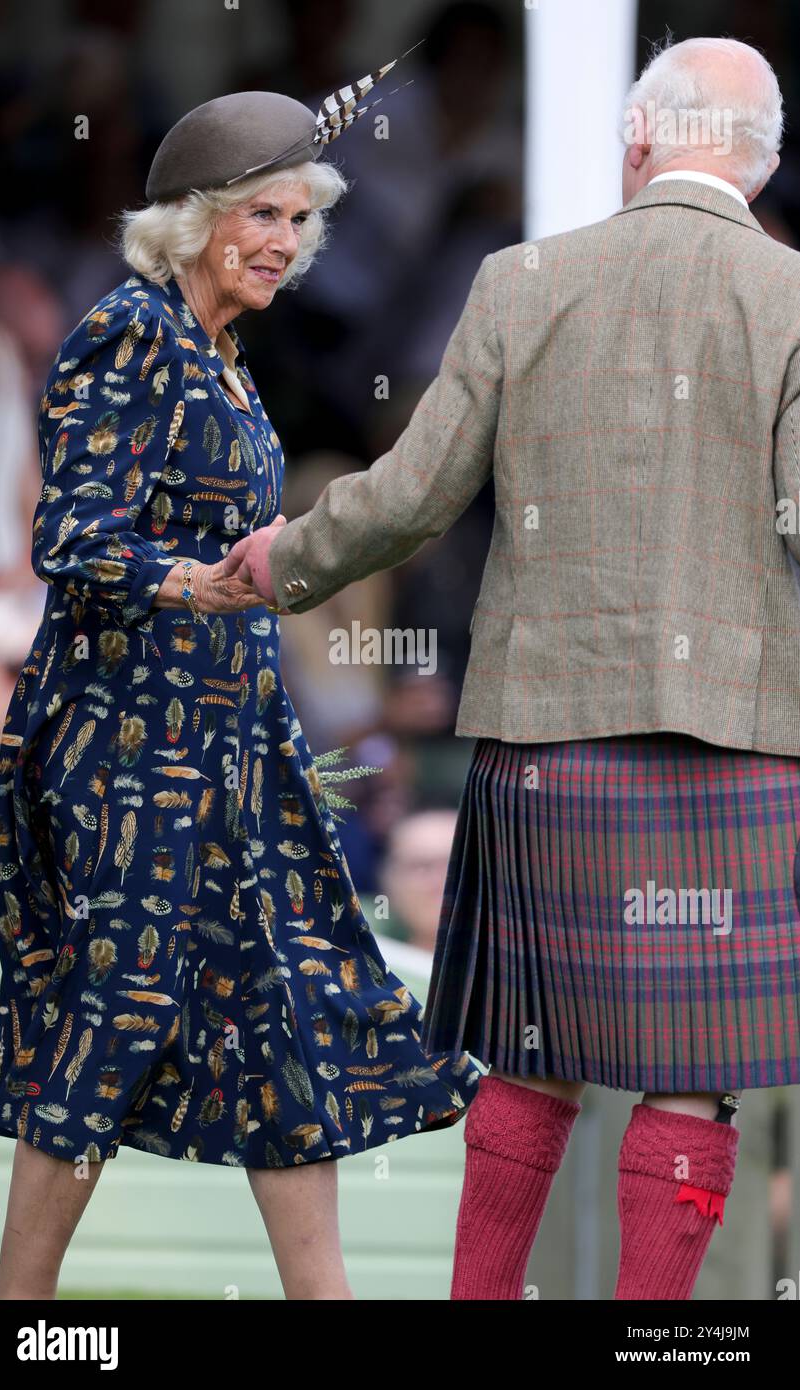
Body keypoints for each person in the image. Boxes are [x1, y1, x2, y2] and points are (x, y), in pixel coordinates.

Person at [230, 35, 799, 1301]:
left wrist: (281, 560)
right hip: (739, 743)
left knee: (529, 1058)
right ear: (756, 170)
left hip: (545, 743)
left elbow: (412, 498)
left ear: (636, 138)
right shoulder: (794, 299)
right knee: (690, 1072)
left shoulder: (522, 280)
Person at [0, 74, 479, 1302]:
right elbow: (71, 537)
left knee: (288, 1016)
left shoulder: (227, 356)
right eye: (262, 215)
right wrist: (193, 583)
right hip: (126, 744)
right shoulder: (129, 331)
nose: (286, 242)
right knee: (106, 1022)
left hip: (232, 742)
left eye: (301, 219)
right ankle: (19, 1311)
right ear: (191, 221)